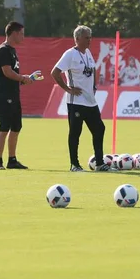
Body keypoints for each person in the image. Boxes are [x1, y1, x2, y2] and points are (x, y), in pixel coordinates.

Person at [51, 25, 106, 172]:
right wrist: (68, 89)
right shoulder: (70, 54)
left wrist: (94, 86)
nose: (89, 40)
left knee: (99, 129)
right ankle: (74, 164)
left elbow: (93, 68)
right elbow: (55, 73)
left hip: (90, 101)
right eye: (86, 38)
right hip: (76, 101)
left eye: (90, 37)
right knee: (76, 132)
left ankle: (100, 163)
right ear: (77, 39)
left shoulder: (87, 52)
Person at [0, 21, 40, 170]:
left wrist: (26, 79)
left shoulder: (13, 51)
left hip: (13, 93)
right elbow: (7, 72)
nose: (23, 37)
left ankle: (12, 160)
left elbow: (13, 74)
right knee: (4, 128)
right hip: (4, 94)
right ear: (14, 33)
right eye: (22, 33)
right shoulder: (3, 50)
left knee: (16, 127)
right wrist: (22, 78)